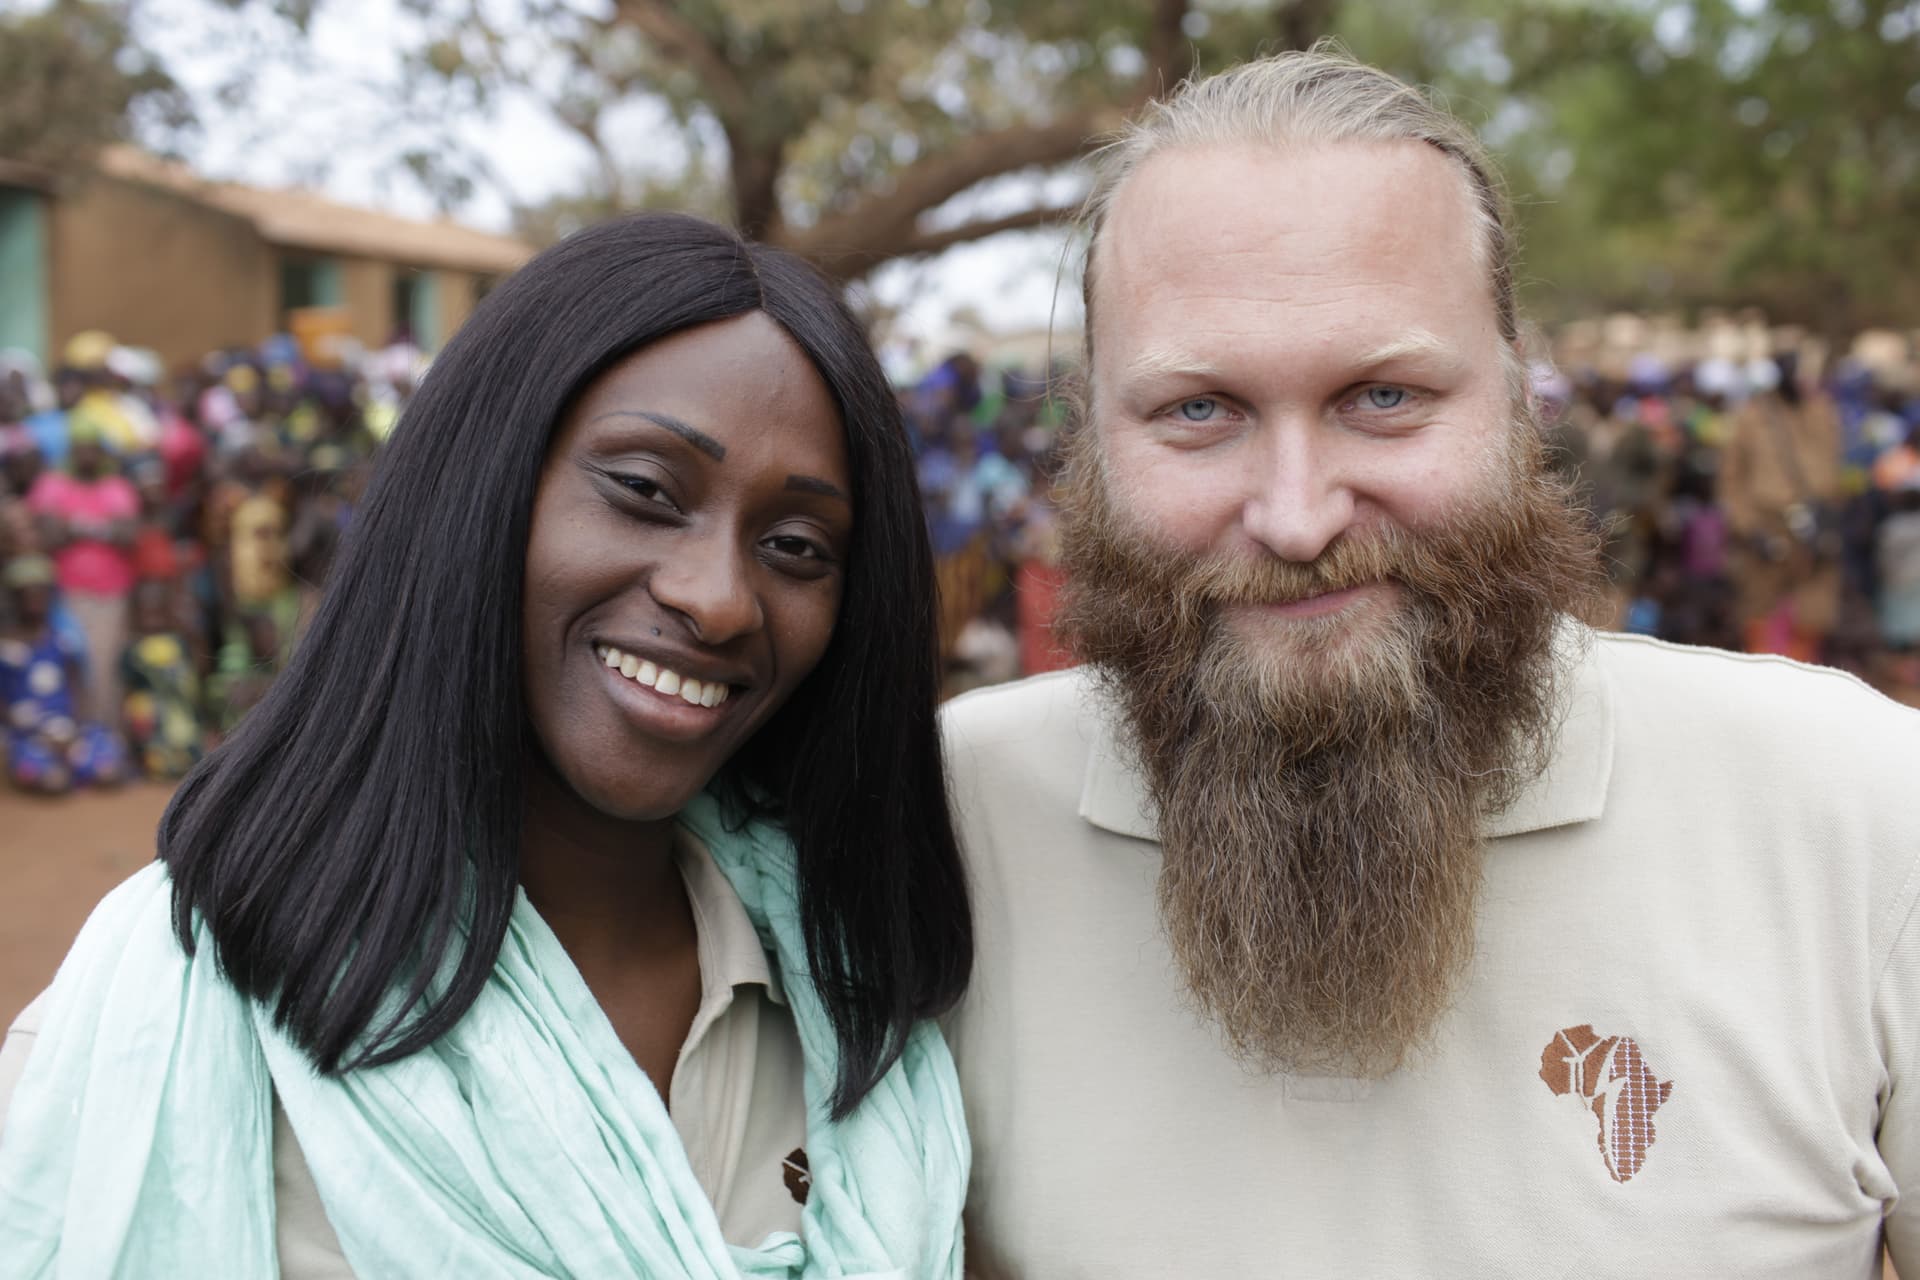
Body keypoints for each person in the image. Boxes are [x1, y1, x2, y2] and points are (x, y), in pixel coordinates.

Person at [940, 49, 1920, 1277]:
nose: (1296, 518)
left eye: (1384, 396)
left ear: (1519, 406)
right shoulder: (942, 825)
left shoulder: (1864, 811)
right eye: (1199, 410)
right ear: (1087, 437)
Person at [0, 212, 972, 1277]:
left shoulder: (858, 1000)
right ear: (482, 486)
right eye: (644, 490)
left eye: (795, 546)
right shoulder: (175, 1016)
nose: (718, 597)